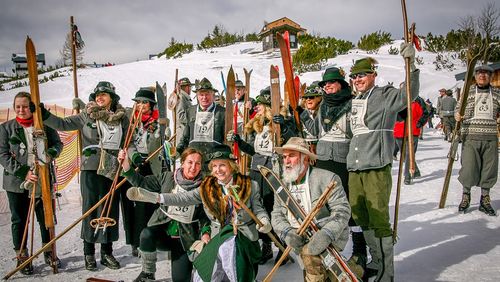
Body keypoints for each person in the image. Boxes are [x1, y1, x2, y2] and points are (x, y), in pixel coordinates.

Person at [126, 144, 271, 282]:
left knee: (237, 269)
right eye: (214, 166)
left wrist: (264, 221)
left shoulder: (250, 185)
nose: (218, 170)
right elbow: (182, 198)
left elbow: (258, 209)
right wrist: (157, 197)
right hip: (218, 240)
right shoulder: (207, 188)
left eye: (222, 165)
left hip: (242, 240)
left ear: (231, 166)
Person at [347, 42, 419, 282]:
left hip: (376, 167)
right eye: (354, 76)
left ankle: (387, 272)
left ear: (373, 75)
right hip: (355, 168)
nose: (357, 79)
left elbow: (410, 95)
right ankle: (376, 261)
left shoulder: (385, 96)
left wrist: (412, 66)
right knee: (361, 217)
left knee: (378, 218)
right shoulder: (353, 100)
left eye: (362, 75)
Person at [42, 81, 128, 271]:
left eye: (104, 94)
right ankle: (89, 253)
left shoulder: (122, 117)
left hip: (113, 169)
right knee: (90, 210)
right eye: (97, 94)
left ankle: (107, 252)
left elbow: (127, 138)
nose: (100, 97)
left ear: (112, 97)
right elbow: (63, 124)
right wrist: (44, 115)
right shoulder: (86, 115)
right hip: (90, 169)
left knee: (109, 210)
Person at [299, 68, 368, 278]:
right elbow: (314, 130)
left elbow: (359, 132)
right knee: (325, 207)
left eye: (331, 83)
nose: (327, 87)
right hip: (323, 161)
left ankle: (359, 250)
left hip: (343, 161)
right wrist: (300, 114)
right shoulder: (323, 107)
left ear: (340, 84)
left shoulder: (351, 103)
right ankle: (329, 250)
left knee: (348, 205)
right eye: (324, 85)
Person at [118, 147, 209, 282]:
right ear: (182, 163)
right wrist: (126, 165)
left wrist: (205, 232)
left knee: (180, 279)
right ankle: (148, 273)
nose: (193, 167)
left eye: (197, 163)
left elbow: (204, 215)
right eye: (190, 162)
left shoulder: (205, 187)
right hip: (162, 232)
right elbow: (142, 183)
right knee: (146, 234)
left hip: (185, 239)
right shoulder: (168, 178)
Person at [227, 88, 296, 265]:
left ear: (267, 106)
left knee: (275, 208)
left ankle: (281, 246)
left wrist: (286, 127)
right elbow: (253, 150)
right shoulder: (257, 125)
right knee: (260, 208)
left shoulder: (282, 122)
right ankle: (266, 245)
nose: (256, 107)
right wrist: (239, 142)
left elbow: (293, 142)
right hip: (257, 171)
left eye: (259, 105)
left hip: (274, 171)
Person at [0, 92, 63, 275]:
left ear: (32, 107)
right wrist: (24, 173)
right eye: (18, 106)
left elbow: (58, 144)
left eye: (26, 106)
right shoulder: (6, 128)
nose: (22, 110)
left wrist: (50, 154)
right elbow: (2, 155)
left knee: (45, 216)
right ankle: (22, 255)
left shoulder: (43, 125)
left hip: (42, 179)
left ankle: (49, 250)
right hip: (17, 182)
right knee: (19, 219)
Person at [271, 137, 351, 281]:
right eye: (284, 157)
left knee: (311, 259)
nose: (286, 161)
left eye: (292, 156)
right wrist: (287, 233)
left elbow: (342, 210)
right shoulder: (281, 184)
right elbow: (276, 214)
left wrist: (326, 234)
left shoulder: (328, 178)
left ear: (306, 159)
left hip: (324, 235)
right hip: (298, 238)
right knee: (313, 268)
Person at [121, 87, 163, 257]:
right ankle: (135, 242)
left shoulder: (158, 121)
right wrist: (135, 156)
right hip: (135, 165)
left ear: (151, 104)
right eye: (138, 102)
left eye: (144, 102)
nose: (141, 105)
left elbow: (163, 142)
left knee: (150, 205)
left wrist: (160, 130)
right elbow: (128, 142)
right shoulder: (131, 121)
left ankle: (152, 239)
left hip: (152, 166)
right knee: (135, 206)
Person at [455, 64, 499, 216]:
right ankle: (465, 196)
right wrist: (457, 115)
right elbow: (458, 109)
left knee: (489, 170)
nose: (482, 75)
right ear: (475, 76)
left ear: (490, 77)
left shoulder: (498, 93)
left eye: (486, 73)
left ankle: (485, 199)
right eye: (479, 73)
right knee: (468, 168)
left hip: (490, 138)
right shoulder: (467, 92)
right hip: (470, 137)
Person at [176, 78, 226, 172]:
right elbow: (185, 137)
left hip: (213, 163)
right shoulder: (191, 111)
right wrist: (177, 151)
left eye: (207, 94)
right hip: (194, 163)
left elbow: (226, 141)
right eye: (201, 95)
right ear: (197, 96)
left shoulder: (222, 112)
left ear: (213, 95)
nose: (204, 97)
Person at [393, 96, 429, 185]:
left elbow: (425, 114)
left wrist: (419, 123)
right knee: (405, 155)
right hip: (398, 132)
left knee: (410, 154)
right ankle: (415, 171)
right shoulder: (397, 101)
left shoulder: (417, 101)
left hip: (412, 132)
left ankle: (407, 176)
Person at [171, 77, 194, 146]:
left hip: (183, 132)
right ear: (186, 87)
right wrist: (193, 119)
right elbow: (180, 117)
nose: (190, 89)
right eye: (190, 87)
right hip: (182, 133)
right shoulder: (181, 98)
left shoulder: (182, 98)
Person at [300, 81, 323, 150]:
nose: (308, 99)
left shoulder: (323, 112)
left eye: (311, 97)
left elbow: (317, 131)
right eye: (306, 98)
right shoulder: (301, 112)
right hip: (304, 149)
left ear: (319, 98)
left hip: (320, 149)